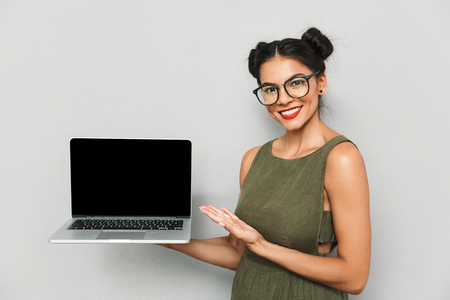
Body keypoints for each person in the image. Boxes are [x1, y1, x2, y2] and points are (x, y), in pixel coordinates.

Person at [162, 27, 371, 299]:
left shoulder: (340, 158)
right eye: (270, 89)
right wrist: (165, 238)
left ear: (321, 82)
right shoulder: (253, 159)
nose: (283, 99)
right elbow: (241, 253)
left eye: (296, 82)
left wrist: (262, 245)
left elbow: (354, 278)